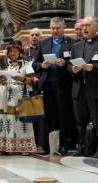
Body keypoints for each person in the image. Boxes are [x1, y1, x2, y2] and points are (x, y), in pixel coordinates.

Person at [68, 16, 98, 158]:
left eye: (88, 25)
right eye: (83, 26)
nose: (84, 28)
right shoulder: (76, 46)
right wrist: (73, 70)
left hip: (96, 89)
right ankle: (81, 147)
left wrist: (92, 67)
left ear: (97, 27)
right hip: (79, 89)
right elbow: (69, 65)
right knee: (80, 122)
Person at [33, 17, 76, 155]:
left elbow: (74, 62)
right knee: (49, 115)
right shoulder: (44, 43)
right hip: (48, 84)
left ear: (63, 28)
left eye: (58, 28)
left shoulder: (72, 43)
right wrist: (42, 65)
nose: (55, 31)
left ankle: (65, 144)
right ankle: (48, 145)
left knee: (64, 115)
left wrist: (65, 64)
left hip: (64, 84)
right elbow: (35, 63)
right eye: (52, 28)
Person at [0, 40, 37, 155]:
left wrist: (22, 79)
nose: (13, 53)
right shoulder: (2, 64)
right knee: (5, 121)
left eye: (15, 51)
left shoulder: (26, 64)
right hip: (5, 98)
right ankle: (4, 148)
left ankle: (24, 148)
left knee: (21, 122)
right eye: (11, 51)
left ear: (20, 52)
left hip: (21, 97)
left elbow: (33, 81)